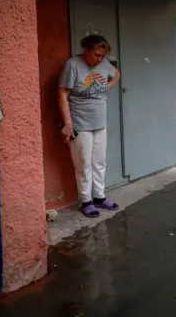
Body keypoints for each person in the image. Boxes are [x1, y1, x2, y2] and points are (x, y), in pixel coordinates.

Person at [58, 35, 120, 217]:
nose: (99, 59)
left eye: (102, 56)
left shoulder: (103, 64)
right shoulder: (73, 65)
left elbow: (116, 74)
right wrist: (68, 124)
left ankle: (99, 197)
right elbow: (62, 94)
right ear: (86, 50)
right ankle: (86, 201)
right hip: (80, 124)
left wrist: (106, 87)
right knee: (83, 164)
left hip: (100, 122)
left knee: (99, 162)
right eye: (96, 55)